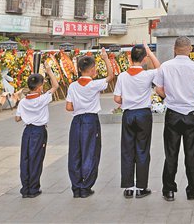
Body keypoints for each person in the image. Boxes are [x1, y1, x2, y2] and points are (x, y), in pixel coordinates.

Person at [153, 36, 194, 201]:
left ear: (174, 48)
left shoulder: (165, 66)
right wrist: (193, 98)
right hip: (191, 115)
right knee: (191, 154)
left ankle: (168, 190)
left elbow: (159, 89)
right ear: (190, 49)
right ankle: (192, 189)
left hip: (172, 114)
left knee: (171, 154)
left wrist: (169, 98)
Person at [113, 43, 161, 199]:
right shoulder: (147, 75)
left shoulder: (122, 76)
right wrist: (150, 52)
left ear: (130, 57)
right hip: (143, 115)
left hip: (128, 115)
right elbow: (160, 69)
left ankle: (128, 187)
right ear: (144, 58)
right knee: (142, 150)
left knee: (127, 150)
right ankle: (141, 187)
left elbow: (117, 98)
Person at [66, 48, 114, 198]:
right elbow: (111, 76)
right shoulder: (94, 84)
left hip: (76, 121)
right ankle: (85, 186)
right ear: (93, 69)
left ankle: (76, 186)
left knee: (75, 153)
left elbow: (69, 107)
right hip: (91, 121)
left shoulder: (72, 86)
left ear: (79, 69)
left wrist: (79, 106)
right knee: (90, 152)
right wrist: (106, 58)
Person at [15, 61, 60, 198]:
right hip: (39, 131)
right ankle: (34, 189)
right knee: (36, 159)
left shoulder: (23, 102)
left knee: (25, 159)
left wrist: (27, 115)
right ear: (40, 87)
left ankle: (25, 188)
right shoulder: (43, 99)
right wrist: (49, 70)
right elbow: (56, 86)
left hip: (27, 131)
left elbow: (17, 119)